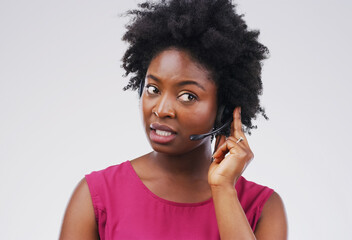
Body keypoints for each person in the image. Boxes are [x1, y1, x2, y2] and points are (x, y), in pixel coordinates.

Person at [59, 0, 287, 239]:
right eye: (153, 89)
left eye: (187, 96)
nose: (162, 109)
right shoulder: (96, 195)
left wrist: (223, 190)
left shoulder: (262, 208)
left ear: (223, 109)